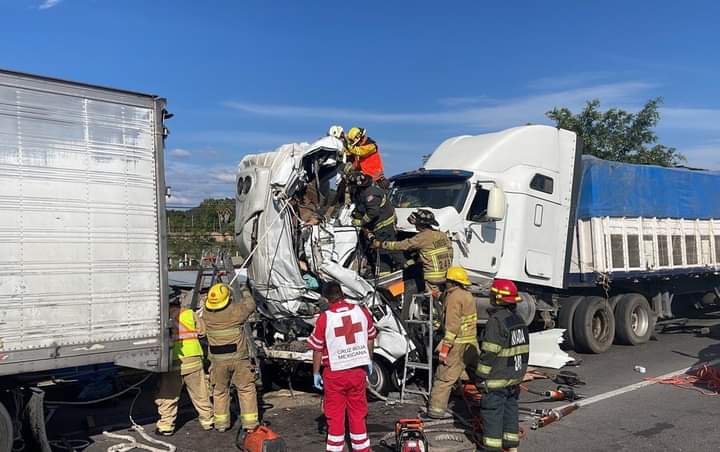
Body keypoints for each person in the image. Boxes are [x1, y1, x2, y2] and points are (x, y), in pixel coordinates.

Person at [307, 281, 377, 452]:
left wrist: (316, 372)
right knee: (358, 413)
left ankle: (335, 449)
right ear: (342, 293)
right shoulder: (361, 311)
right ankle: (362, 449)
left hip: (335, 374)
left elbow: (317, 349)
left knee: (335, 416)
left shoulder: (325, 318)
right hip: (357, 372)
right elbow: (370, 336)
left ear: (326, 298)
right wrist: (368, 359)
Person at [475, 279, 529, 451]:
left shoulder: (496, 321)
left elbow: (490, 352)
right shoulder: (518, 320)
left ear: (498, 298)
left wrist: (480, 376)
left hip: (497, 379)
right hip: (514, 377)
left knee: (493, 415)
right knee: (510, 411)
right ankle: (511, 445)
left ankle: (493, 448)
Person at [199, 283, 259, 433]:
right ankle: (250, 424)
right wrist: (244, 289)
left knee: (219, 391)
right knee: (246, 389)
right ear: (228, 299)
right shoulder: (236, 311)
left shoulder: (206, 314)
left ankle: (221, 424)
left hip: (218, 362)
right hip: (239, 360)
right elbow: (250, 304)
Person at [154, 294, 214, 435]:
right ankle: (208, 421)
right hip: (193, 358)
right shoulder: (189, 313)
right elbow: (202, 331)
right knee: (200, 392)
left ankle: (166, 426)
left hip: (173, 360)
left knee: (168, 394)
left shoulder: (160, 317)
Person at [426, 266, 478, 419]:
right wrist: (439, 296)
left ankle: (435, 411)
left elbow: (452, 326)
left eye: (447, 281)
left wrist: (444, 349)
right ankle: (489, 402)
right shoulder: (466, 295)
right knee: (478, 375)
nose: (445, 283)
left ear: (452, 282)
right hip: (471, 344)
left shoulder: (454, 298)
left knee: (444, 378)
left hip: (457, 345)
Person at [373, 209, 453, 296]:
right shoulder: (442, 235)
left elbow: (402, 245)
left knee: (430, 300)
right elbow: (449, 252)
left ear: (420, 225)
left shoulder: (422, 237)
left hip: (432, 278)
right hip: (446, 275)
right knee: (441, 295)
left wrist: (381, 244)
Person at [348, 172, 403, 277]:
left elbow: (372, 213)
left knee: (382, 251)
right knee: (387, 250)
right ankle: (405, 267)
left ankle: (385, 276)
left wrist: (361, 222)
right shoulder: (361, 192)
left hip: (384, 226)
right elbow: (360, 207)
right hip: (376, 226)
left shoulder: (371, 194)